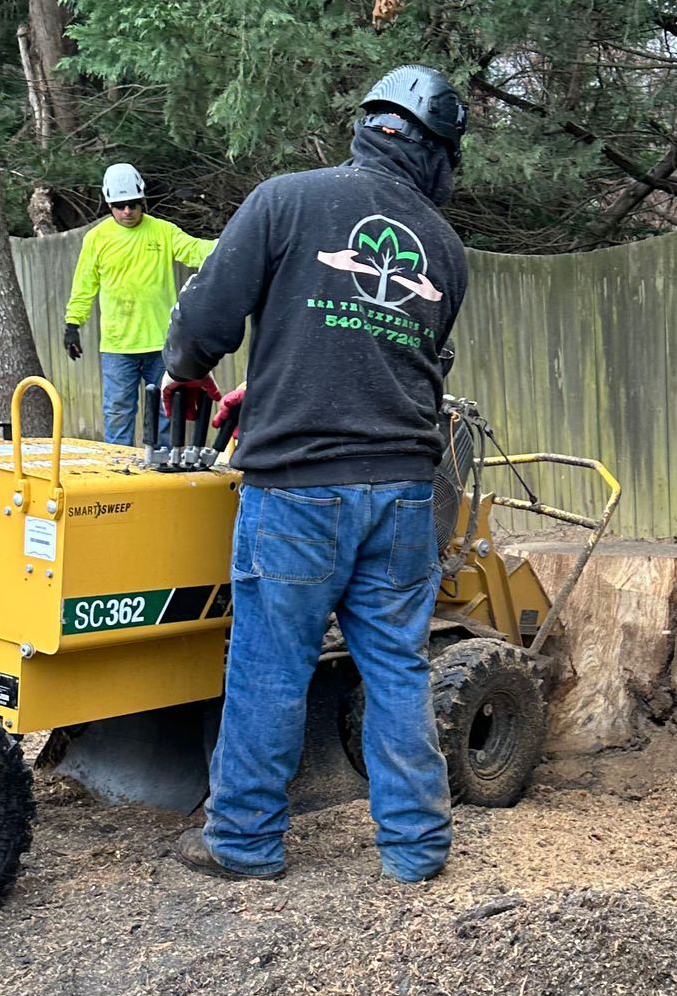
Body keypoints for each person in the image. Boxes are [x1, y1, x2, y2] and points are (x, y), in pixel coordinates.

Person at [159, 65, 469, 884]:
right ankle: (416, 847)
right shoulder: (444, 248)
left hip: (297, 490)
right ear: (437, 154)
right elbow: (395, 359)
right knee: (398, 665)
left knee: (269, 663)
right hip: (403, 493)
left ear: (371, 127)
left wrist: (184, 363)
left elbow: (204, 324)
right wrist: (271, 382)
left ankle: (246, 841)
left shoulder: (286, 199)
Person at [64, 163, 216, 446]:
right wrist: (73, 324)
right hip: (118, 346)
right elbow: (84, 285)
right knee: (118, 412)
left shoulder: (162, 231)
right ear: (109, 203)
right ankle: (118, 472)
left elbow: (195, 250)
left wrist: (231, 243)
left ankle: (161, 471)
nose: (127, 212)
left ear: (142, 201)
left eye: (133, 204)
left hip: (161, 344)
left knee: (167, 410)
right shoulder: (97, 239)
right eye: (120, 206)